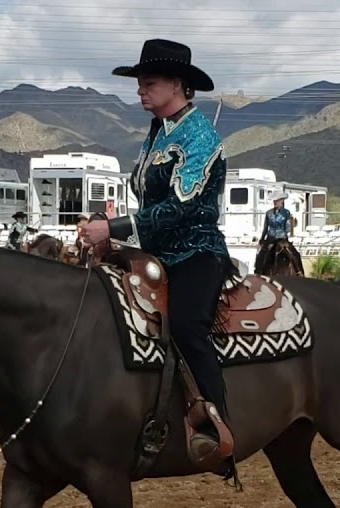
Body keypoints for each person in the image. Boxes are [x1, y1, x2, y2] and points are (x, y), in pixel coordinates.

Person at [79, 38, 233, 467]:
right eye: (140, 83)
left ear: (178, 85)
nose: (140, 91)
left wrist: (113, 228)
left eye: (148, 83)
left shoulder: (199, 135)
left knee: (186, 327)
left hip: (197, 252)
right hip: (158, 254)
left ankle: (218, 428)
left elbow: (180, 207)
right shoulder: (157, 134)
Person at [255, 193, 303, 274]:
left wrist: (287, 231)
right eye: (274, 201)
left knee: (295, 254)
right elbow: (266, 227)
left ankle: (299, 271)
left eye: (277, 201)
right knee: (261, 255)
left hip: (282, 238)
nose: (275, 202)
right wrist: (262, 239)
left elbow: (287, 227)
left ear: (281, 201)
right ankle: (258, 271)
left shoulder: (286, 212)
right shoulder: (268, 213)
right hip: (270, 238)